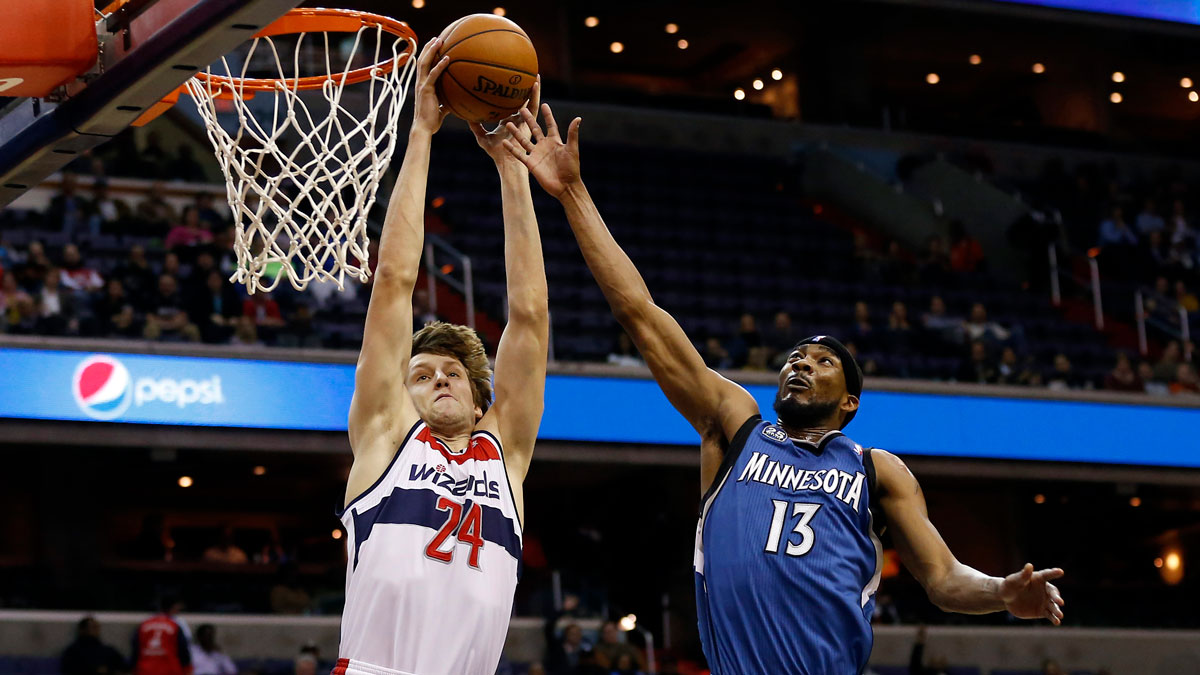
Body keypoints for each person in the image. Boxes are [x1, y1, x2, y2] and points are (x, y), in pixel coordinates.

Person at [507, 101, 1066, 674]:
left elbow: (944, 579)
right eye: (796, 356)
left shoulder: (877, 470)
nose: (801, 363)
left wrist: (1000, 591)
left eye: (823, 361)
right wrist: (573, 193)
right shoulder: (735, 426)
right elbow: (639, 314)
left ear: (850, 401)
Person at [334, 43, 547, 675]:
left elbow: (530, 317)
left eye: (453, 372)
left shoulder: (504, 451)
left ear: (484, 399)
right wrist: (422, 133)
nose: (438, 380)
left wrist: (513, 171)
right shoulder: (386, 437)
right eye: (421, 375)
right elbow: (395, 280)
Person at [130, 598, 191, 675]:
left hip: (145, 670)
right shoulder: (176, 624)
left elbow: (135, 649)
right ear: (174, 607)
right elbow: (183, 650)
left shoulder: (144, 624)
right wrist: (187, 668)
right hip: (170, 670)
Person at [61, 616, 128, 675]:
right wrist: (95, 670)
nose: (96, 630)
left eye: (97, 627)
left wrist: (109, 670)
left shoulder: (108, 650)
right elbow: (69, 669)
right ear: (82, 630)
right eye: (92, 627)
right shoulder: (73, 651)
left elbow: (124, 667)